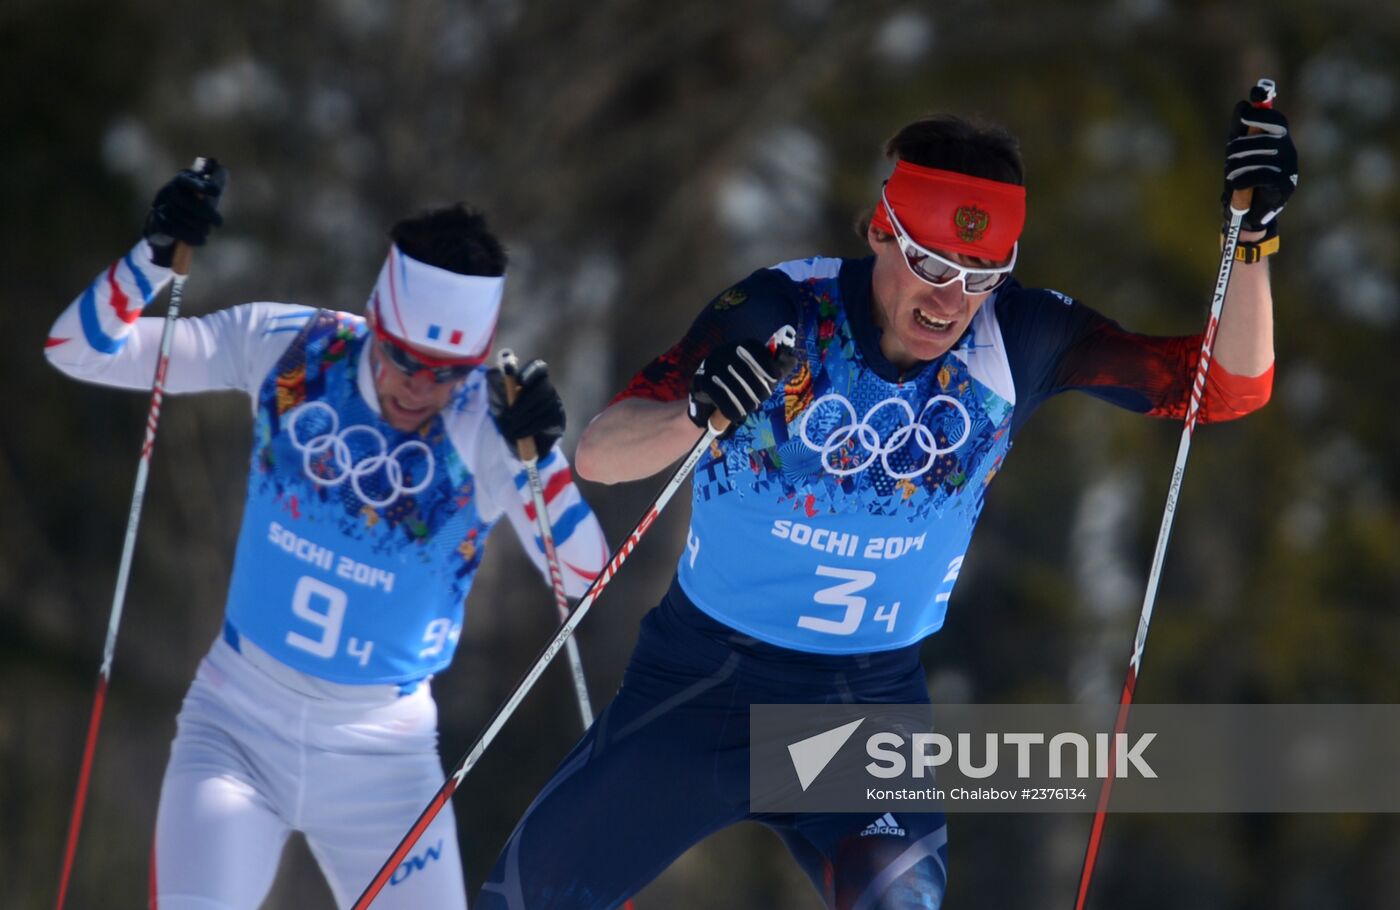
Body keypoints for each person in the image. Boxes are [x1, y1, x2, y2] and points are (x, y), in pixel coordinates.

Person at [476, 94, 1297, 908]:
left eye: (980, 276)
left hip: (862, 711)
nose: (948, 303)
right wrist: (693, 413)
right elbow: (600, 453)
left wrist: (1251, 243)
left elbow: (1225, 389)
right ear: (879, 233)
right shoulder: (780, 311)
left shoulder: (1020, 337)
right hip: (698, 686)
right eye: (932, 266)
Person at [46, 175, 609, 910]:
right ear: (376, 320)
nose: (419, 388)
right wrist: (149, 260)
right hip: (238, 728)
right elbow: (78, 349)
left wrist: (546, 462)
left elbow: (588, 577)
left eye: (446, 373)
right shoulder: (297, 351)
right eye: (403, 357)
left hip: (386, 761)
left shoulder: (485, 424)